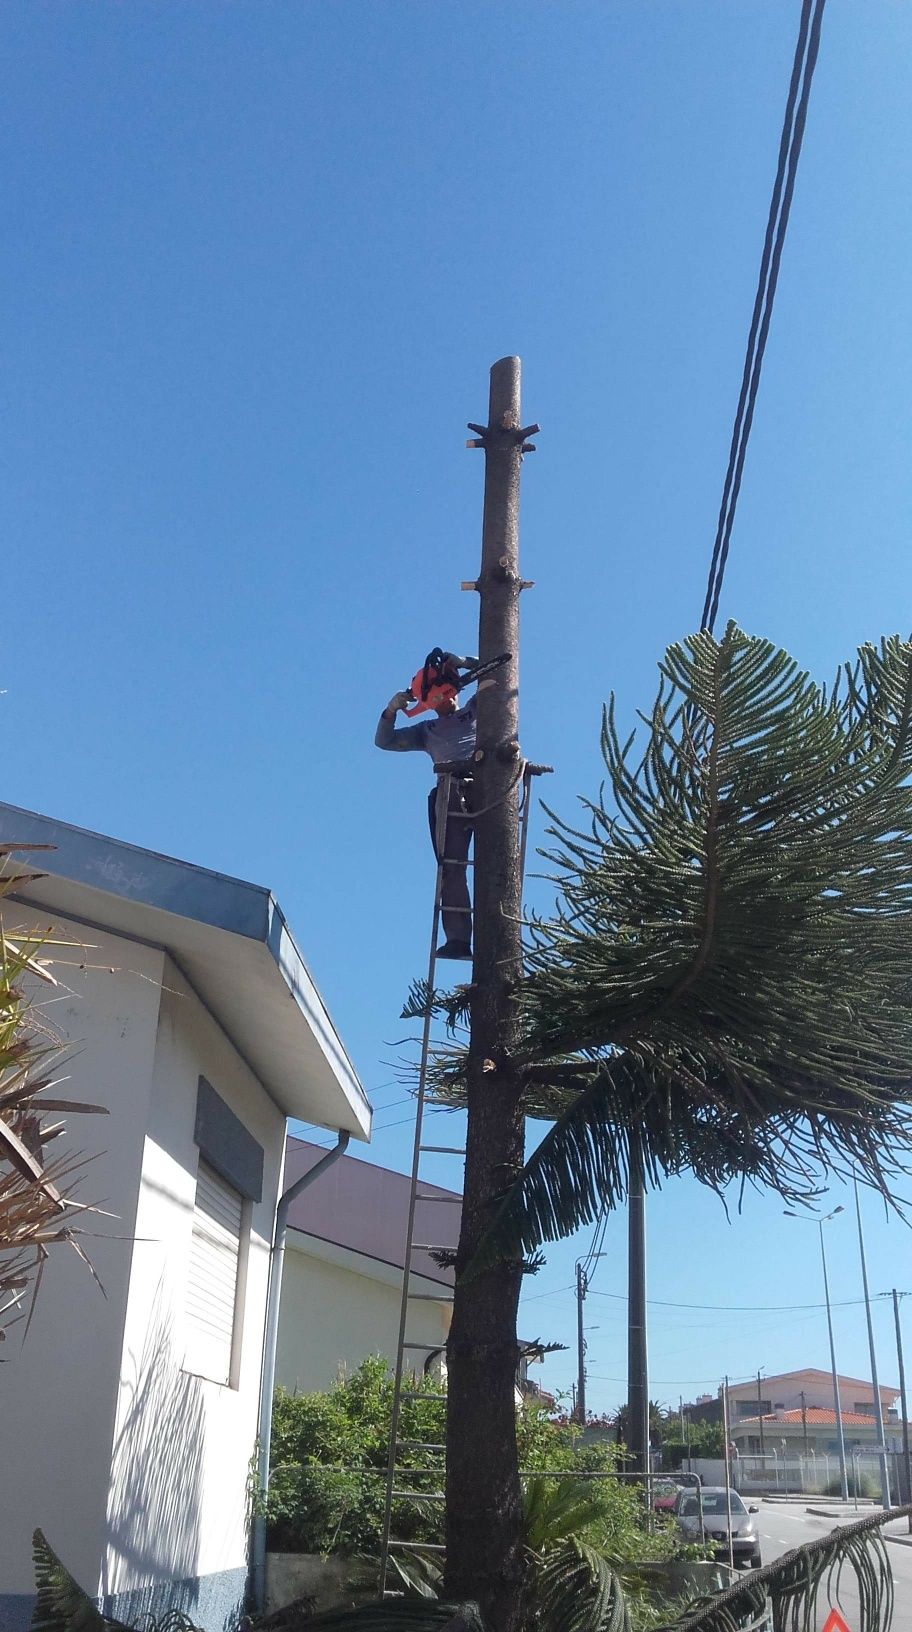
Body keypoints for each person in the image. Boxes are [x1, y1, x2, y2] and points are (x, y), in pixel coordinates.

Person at [375, 651, 478, 960]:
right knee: (451, 867)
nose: (441, 702)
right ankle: (459, 939)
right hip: (450, 792)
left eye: (443, 694)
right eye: (434, 698)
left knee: (493, 863)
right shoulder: (427, 731)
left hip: (487, 786)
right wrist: (391, 710)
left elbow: (498, 675)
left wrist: (463, 662)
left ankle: (494, 934)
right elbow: (384, 740)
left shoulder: (477, 709)